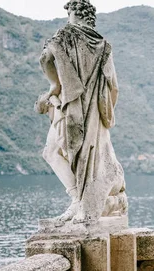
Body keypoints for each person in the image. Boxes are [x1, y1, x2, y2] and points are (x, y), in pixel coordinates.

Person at [35, 0, 126, 224]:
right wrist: (106, 115)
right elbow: (114, 87)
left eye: (69, 14)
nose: (68, 19)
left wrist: (54, 86)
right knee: (80, 156)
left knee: (52, 152)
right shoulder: (104, 46)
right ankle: (80, 200)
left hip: (70, 108)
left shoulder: (64, 35)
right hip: (94, 113)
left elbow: (45, 58)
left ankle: (77, 199)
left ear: (74, 13)